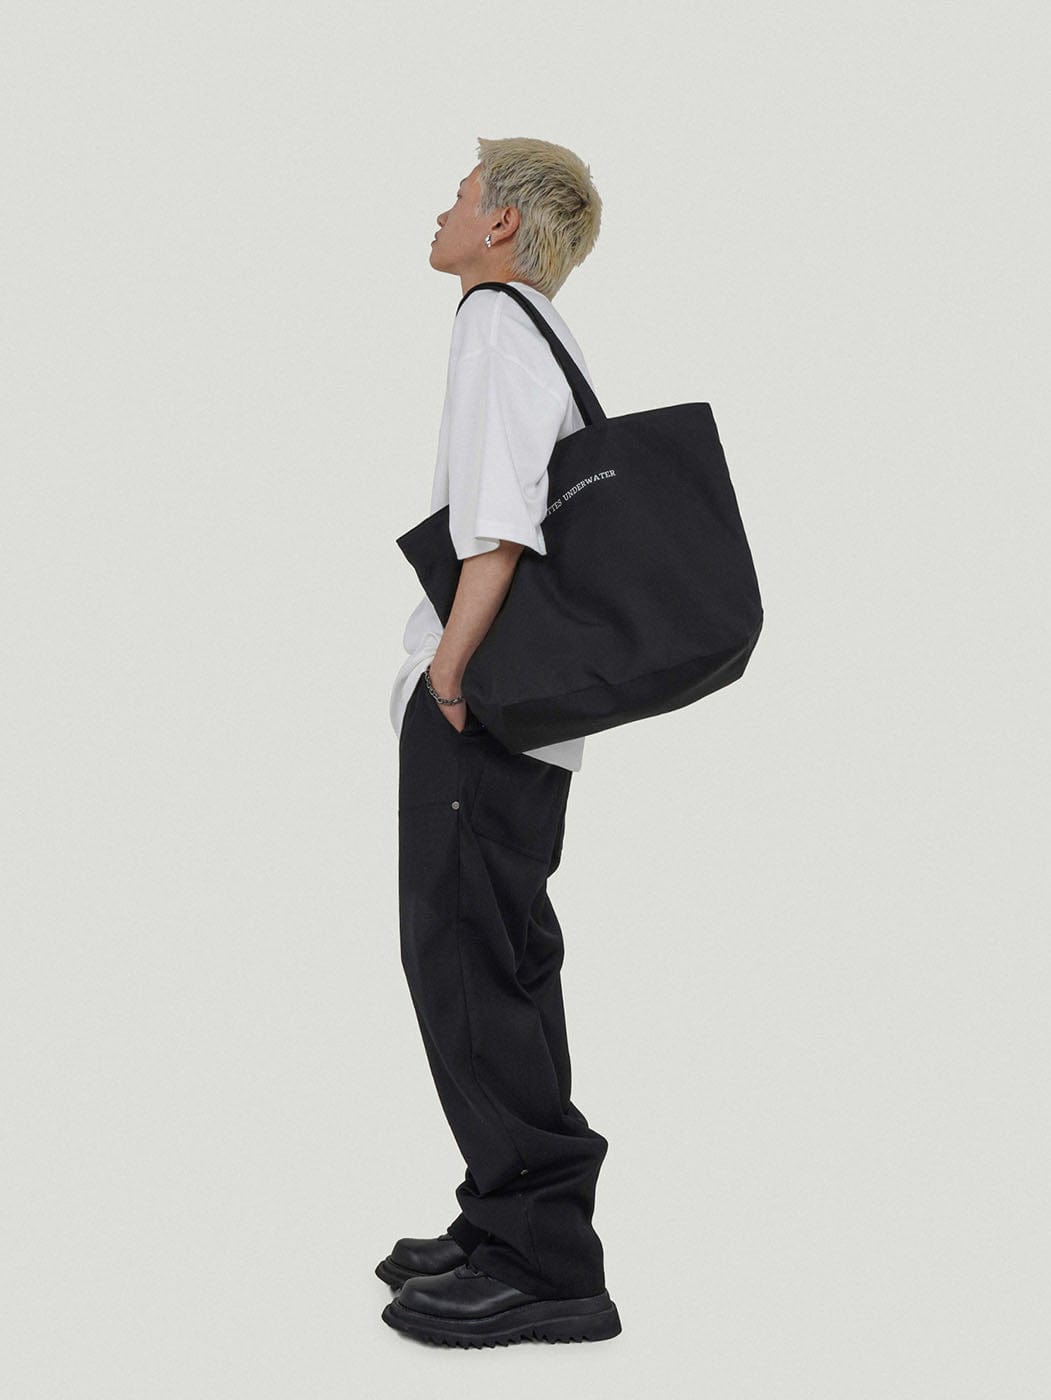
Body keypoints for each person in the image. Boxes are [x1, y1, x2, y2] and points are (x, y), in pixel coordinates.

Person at [378, 137, 621, 1348]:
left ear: (504, 227)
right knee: (504, 959)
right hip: (528, 715)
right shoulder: (539, 331)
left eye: (463, 195)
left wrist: (449, 671)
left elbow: (498, 524)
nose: (444, 209)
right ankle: (508, 1211)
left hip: (480, 706)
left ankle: (543, 1260)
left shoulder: (491, 323)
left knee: (466, 963)